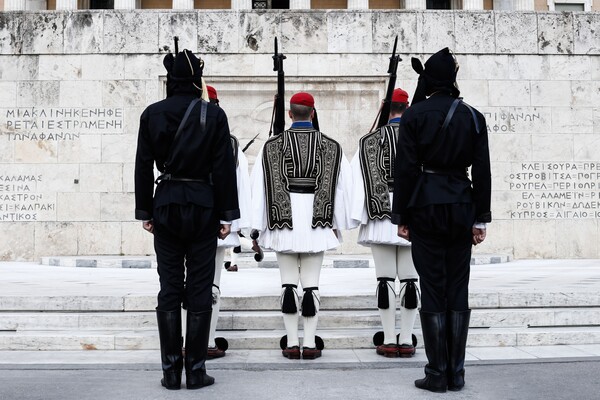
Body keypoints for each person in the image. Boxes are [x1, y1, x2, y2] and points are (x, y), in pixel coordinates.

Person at [134, 49, 239, 390]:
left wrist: (145, 211)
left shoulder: (152, 113)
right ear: (196, 80)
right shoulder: (214, 115)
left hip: (166, 205)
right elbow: (224, 169)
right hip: (203, 207)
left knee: (169, 287)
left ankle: (169, 373)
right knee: (198, 286)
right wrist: (227, 215)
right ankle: (195, 371)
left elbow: (142, 166)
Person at [392, 48, 491, 393]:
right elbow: (482, 172)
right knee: (457, 287)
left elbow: (404, 169)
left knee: (433, 286)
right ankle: (457, 373)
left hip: (426, 206)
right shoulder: (473, 116)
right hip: (461, 205)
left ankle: (437, 373)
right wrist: (481, 218)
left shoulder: (414, 115)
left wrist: (400, 216)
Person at [251, 92, 352, 360]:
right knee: (311, 286)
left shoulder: (270, 146)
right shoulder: (332, 146)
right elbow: (342, 190)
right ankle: (309, 344)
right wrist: (337, 223)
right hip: (317, 224)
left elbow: (258, 189)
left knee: (287, 285)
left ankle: (291, 343)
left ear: (290, 114)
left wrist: (257, 227)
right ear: (313, 113)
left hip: (282, 222)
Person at [350, 88, 419, 358]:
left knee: (385, 280)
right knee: (411, 280)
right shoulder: (420, 137)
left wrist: (358, 216)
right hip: (413, 215)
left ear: (386, 108)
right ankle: (407, 338)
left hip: (381, 216)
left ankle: (389, 339)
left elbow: (358, 182)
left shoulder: (369, 141)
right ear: (408, 107)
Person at [204, 84, 252, 359]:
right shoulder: (231, 145)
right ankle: (207, 341)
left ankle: (184, 340)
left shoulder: (174, 137)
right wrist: (234, 223)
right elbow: (239, 189)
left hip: (178, 222)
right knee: (211, 284)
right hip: (214, 224)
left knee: (183, 283)